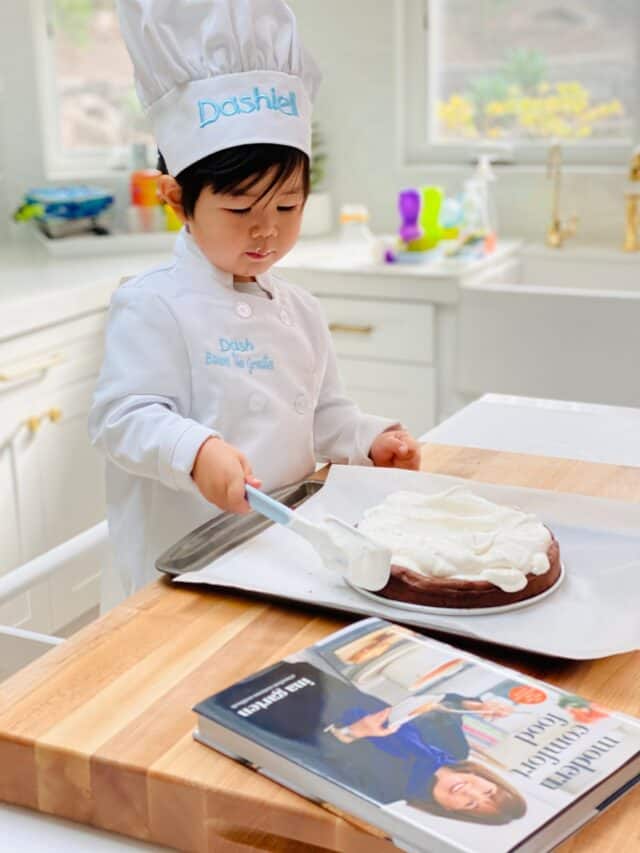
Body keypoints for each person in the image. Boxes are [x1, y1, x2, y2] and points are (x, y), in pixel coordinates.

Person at [89, 0, 420, 596]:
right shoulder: (153, 304)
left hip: (283, 558)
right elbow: (122, 419)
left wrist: (369, 441)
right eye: (241, 209)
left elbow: (321, 416)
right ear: (177, 199)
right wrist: (195, 451)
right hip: (183, 574)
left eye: (287, 206)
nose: (266, 230)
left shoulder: (300, 310)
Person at [211, 660, 527, 825]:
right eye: (488, 792)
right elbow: (442, 705)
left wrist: (354, 733)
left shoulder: (384, 793)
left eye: (471, 805)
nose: (470, 792)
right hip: (310, 681)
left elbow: (307, 757)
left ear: (450, 810)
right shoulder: (455, 749)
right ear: (490, 780)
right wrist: (475, 706)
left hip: (271, 712)